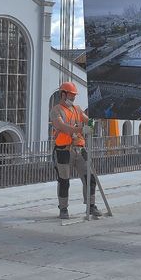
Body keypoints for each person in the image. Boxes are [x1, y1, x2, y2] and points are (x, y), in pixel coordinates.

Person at [50, 81, 102, 219]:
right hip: (63, 150)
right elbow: (62, 127)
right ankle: (63, 209)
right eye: (71, 95)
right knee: (64, 181)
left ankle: (91, 206)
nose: (73, 98)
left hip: (79, 149)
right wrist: (81, 129)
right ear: (63, 94)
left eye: (74, 96)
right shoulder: (56, 110)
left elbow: (87, 120)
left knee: (90, 177)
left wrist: (92, 122)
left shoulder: (77, 109)